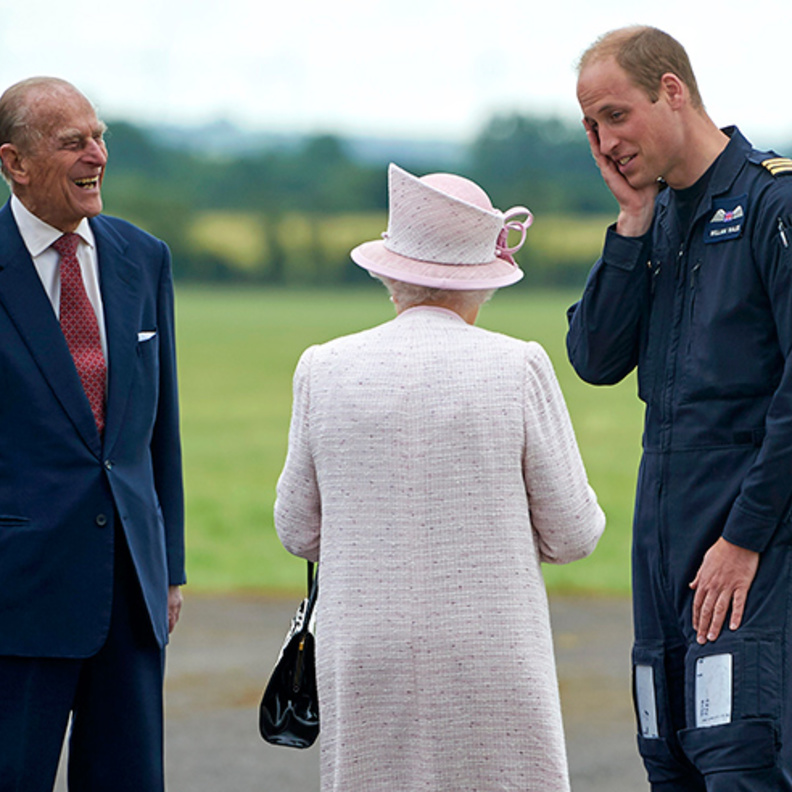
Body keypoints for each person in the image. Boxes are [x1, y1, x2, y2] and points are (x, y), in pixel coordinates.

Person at [275, 162, 605, 792]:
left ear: (389, 273)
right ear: (485, 280)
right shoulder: (518, 366)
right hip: (491, 649)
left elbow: (296, 530)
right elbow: (573, 534)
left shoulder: (323, 367)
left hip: (362, 649)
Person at [567, 25, 792, 791]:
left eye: (615, 115)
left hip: (752, 544)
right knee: (670, 759)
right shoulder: (653, 221)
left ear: (672, 90)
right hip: (662, 545)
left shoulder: (772, 204)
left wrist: (744, 537)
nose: (604, 142)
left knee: (742, 762)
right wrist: (631, 223)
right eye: (590, 126)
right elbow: (595, 358)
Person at [0, 77, 185, 791]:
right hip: (18, 590)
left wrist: (166, 561)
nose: (97, 155)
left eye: (100, 136)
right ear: (15, 162)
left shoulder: (144, 257)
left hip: (131, 593)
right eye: (73, 142)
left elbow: (158, 430)